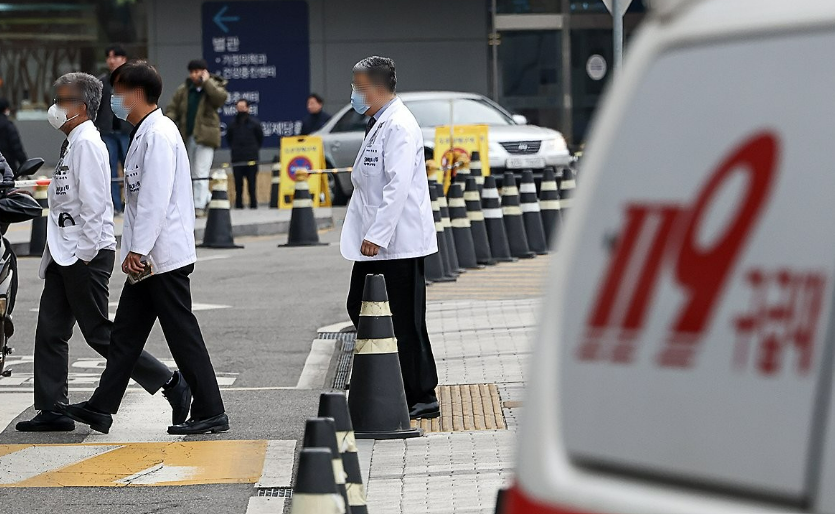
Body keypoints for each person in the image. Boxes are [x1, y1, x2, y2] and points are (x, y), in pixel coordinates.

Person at [58, 61, 228, 435]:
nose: (114, 101)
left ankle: (211, 410)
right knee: (125, 336)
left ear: (135, 94)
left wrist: (138, 249)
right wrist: (134, 251)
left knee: (182, 334)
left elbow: (154, 199)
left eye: (118, 93)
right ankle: (102, 407)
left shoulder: (159, 135)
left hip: (161, 257)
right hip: (147, 260)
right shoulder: (144, 133)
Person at [16, 72, 191, 432]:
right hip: (63, 254)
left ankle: (171, 383)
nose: (54, 107)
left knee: (98, 332)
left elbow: (97, 208)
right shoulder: (72, 142)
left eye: (61, 101)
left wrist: (84, 256)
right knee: (50, 330)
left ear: (80, 108)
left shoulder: (89, 145)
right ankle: (53, 408)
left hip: (85, 255)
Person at [341, 56, 441, 420]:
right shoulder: (379, 123)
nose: (354, 93)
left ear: (378, 88)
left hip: (397, 243)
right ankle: (393, 378)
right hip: (377, 243)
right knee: (361, 305)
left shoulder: (398, 125)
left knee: (406, 318)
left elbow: (397, 186)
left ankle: (422, 394)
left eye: (358, 87)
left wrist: (378, 235)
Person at [165, 59, 228, 217]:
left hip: (206, 136)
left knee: (201, 170)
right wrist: (168, 123)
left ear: (204, 72)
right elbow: (173, 108)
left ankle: (198, 206)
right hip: (188, 135)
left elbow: (220, 99)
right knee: (191, 172)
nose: (194, 75)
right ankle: (205, 199)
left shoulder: (213, 86)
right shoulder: (185, 90)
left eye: (198, 71)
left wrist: (207, 82)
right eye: (192, 72)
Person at [95, 45, 133, 214]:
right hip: (108, 131)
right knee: (108, 169)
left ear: (123, 59)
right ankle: (115, 205)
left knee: (131, 168)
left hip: (127, 130)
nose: (111, 60)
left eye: (115, 57)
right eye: (108, 57)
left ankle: (133, 204)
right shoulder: (103, 82)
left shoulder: (132, 80)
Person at [226, 99, 263, 209]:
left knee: (252, 183)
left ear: (248, 108)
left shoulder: (255, 123)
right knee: (238, 184)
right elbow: (229, 139)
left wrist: (254, 149)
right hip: (237, 158)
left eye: (243, 107)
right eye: (239, 107)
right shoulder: (232, 124)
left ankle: (253, 204)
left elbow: (260, 138)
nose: (241, 109)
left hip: (251, 157)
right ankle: (239, 204)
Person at [0, 98, 27, 173]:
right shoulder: (8, 125)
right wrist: (24, 164)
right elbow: (16, 147)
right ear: (6, 109)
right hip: (7, 166)